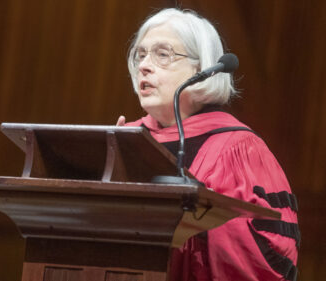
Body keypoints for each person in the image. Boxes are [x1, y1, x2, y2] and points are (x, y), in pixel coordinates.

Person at [117, 8, 299, 281]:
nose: (144, 65)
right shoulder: (125, 137)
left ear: (201, 68)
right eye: (140, 55)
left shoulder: (240, 148)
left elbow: (276, 252)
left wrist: (198, 224)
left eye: (162, 54)